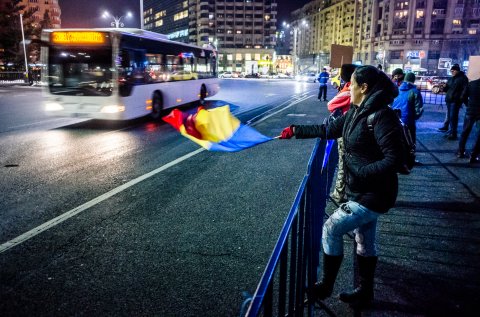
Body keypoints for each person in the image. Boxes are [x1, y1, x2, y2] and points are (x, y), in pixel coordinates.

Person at [279, 65, 403, 308]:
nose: (348, 87)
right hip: (361, 189)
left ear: (364, 88)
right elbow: (328, 129)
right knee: (364, 240)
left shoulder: (381, 116)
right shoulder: (356, 111)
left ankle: (325, 286)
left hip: (374, 193)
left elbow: (394, 159)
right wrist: (295, 130)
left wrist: (362, 172)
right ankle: (365, 293)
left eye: (352, 84)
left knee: (332, 228)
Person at [327, 63, 358, 204]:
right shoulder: (351, 89)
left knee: (344, 163)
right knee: (345, 162)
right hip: (349, 130)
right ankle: (343, 192)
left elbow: (331, 104)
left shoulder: (349, 90)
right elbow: (332, 104)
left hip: (348, 130)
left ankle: (340, 193)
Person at [391, 72, 424, 146]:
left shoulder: (397, 89)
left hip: (395, 118)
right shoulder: (415, 92)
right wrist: (415, 117)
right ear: (413, 80)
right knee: (410, 139)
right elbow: (418, 109)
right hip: (408, 120)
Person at [438, 64, 469, 140]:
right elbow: (447, 89)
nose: (452, 72)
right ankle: (451, 132)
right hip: (449, 100)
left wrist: (461, 98)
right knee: (450, 116)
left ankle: (453, 133)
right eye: (451, 71)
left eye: (453, 71)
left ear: (457, 70)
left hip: (455, 100)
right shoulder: (451, 79)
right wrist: (443, 87)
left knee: (453, 117)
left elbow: (465, 89)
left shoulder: (463, 78)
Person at [456, 76, 480, 164]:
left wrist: (468, 105)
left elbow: (463, 97)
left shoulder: (472, 84)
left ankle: (460, 152)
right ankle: (473, 156)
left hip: (470, 111)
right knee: (478, 135)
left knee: (465, 132)